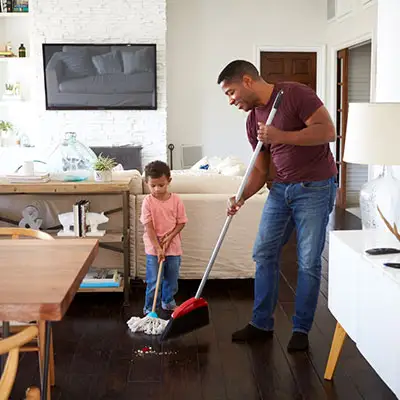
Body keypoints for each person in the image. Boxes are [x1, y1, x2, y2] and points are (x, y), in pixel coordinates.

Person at [217, 60, 337, 352]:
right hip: (280, 189)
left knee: (308, 261)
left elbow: (327, 131)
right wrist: (241, 195)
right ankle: (261, 324)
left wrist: (281, 136)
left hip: (315, 187)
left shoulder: (295, 94)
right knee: (263, 253)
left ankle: (301, 329)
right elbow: (260, 169)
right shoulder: (251, 121)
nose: (231, 101)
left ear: (247, 81)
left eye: (231, 92)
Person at [140, 160, 188, 317]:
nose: (157, 189)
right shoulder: (147, 202)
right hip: (154, 248)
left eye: (161, 185)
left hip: (173, 247)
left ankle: (168, 302)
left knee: (171, 279)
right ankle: (149, 308)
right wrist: (159, 248)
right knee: (154, 280)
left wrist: (170, 237)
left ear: (169, 180)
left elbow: (181, 223)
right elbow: (149, 226)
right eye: (152, 186)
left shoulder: (176, 200)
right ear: (146, 182)